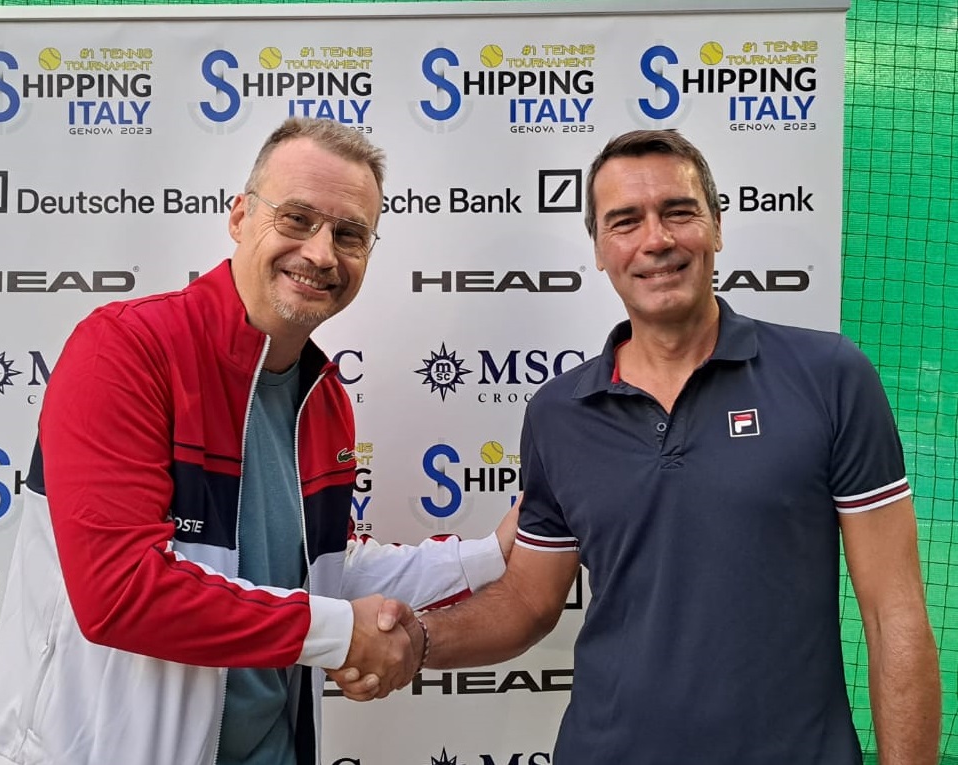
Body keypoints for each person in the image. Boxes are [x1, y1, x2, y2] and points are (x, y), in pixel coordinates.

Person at [339, 129, 942, 764]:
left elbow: (893, 612)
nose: (656, 240)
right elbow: (527, 602)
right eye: (625, 221)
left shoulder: (829, 376)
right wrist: (418, 640)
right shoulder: (558, 413)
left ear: (716, 227)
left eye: (678, 212)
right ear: (600, 250)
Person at [0, 117, 515, 765]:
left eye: (349, 234)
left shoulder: (324, 397)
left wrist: (491, 554)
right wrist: (342, 633)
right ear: (239, 217)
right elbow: (121, 592)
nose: (321, 253)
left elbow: (318, 570)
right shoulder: (126, 349)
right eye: (297, 219)